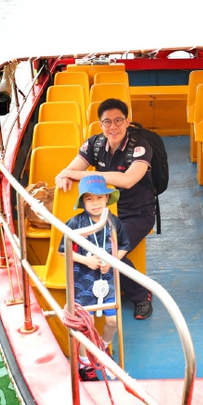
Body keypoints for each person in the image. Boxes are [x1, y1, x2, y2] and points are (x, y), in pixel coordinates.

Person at [56, 98, 156, 319]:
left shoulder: (140, 147)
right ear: (100, 124)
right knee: (91, 249)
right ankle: (93, 292)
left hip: (136, 213)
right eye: (107, 122)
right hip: (104, 212)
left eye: (119, 120)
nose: (113, 127)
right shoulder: (95, 144)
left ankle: (141, 295)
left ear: (128, 121)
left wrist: (81, 175)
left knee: (109, 250)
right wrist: (64, 176)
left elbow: (128, 180)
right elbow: (71, 169)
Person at [59, 175, 129, 382]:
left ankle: (102, 348)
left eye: (100, 197)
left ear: (107, 199)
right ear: (83, 202)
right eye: (89, 199)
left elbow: (124, 245)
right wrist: (85, 260)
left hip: (107, 281)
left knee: (112, 321)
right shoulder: (74, 223)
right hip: (82, 281)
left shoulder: (113, 221)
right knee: (82, 324)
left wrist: (112, 260)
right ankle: (85, 361)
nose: (96, 203)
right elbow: (63, 251)